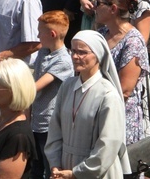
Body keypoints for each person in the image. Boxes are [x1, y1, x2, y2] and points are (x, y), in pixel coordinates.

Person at [45, 30, 131, 178]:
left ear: (97, 55)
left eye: (82, 52)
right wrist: (55, 164)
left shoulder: (108, 95)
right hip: (63, 169)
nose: (75, 57)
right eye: (73, 51)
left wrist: (76, 173)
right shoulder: (67, 86)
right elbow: (55, 129)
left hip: (96, 172)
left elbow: (108, 145)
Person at [95, 0, 150, 146]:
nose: (94, 7)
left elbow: (124, 90)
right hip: (96, 110)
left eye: (99, 3)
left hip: (119, 117)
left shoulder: (133, 41)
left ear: (113, 8)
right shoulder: (101, 34)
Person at [29, 11, 73, 179]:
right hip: (36, 120)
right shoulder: (43, 52)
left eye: (40, 32)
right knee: (35, 167)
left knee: (50, 168)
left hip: (49, 124)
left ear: (52, 34)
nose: (38, 35)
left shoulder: (63, 61)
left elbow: (35, 87)